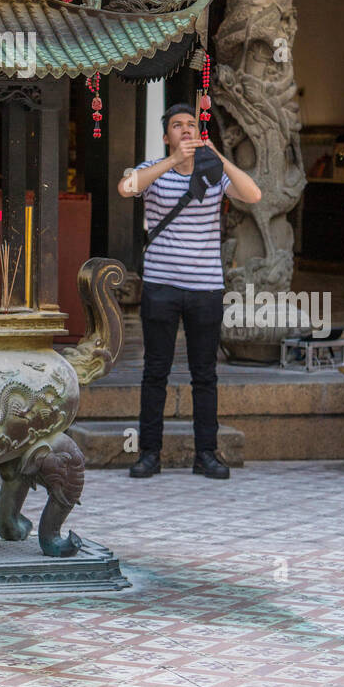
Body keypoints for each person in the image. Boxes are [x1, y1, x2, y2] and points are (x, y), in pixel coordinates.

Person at [118, 102, 262, 480]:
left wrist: (217, 156)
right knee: (155, 372)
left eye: (191, 125)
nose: (185, 130)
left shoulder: (213, 173)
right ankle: (149, 453)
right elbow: (126, 187)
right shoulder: (152, 170)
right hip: (161, 286)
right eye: (177, 126)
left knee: (205, 375)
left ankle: (207, 454)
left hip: (205, 287)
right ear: (166, 136)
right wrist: (171, 161)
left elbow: (254, 195)